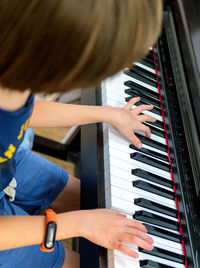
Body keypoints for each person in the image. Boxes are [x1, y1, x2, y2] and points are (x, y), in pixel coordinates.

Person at [0, 0, 162, 267]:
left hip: (8, 161)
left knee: (98, 200)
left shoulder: (12, 72)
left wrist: (108, 114)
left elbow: (28, 112)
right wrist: (78, 224)